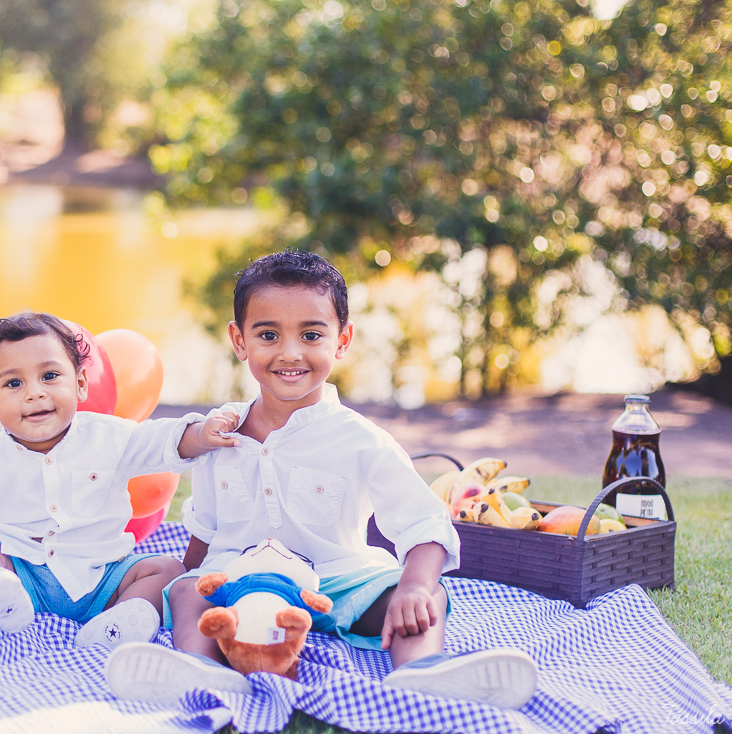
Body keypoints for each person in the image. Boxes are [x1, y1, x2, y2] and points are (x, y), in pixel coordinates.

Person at [104, 250, 538, 708]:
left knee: (424, 595)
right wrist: (188, 582)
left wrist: (414, 587)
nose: (290, 353)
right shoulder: (220, 433)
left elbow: (424, 522)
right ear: (239, 340)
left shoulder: (361, 440)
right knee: (187, 591)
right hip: (239, 584)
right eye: (268, 335)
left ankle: (421, 671)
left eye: (311, 335)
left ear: (342, 340)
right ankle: (201, 668)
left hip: (340, 583)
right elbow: (205, 528)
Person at [0, 312, 238, 649]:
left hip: (103, 578)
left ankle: (119, 622)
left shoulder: (108, 436)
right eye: (14, 383)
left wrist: (201, 434)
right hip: (20, 574)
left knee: (166, 568)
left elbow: (162, 441)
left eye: (50, 376)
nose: (34, 393)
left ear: (81, 384)